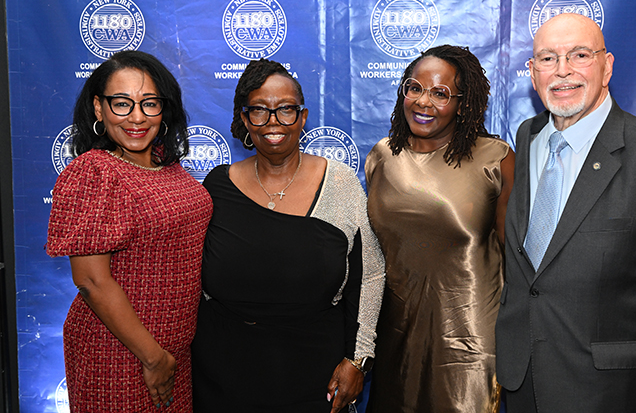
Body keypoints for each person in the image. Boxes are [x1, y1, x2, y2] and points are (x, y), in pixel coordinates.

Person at [495, 13, 636, 412]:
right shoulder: (529, 138)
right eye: (547, 58)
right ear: (532, 72)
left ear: (607, 66)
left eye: (579, 55)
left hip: (610, 394)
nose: (562, 70)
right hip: (523, 384)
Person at [191, 58, 385, 413]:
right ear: (245, 119)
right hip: (222, 374)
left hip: (316, 376)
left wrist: (358, 359)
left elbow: (369, 275)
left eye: (285, 109)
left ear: (302, 117)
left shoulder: (340, 183)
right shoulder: (218, 186)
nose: (273, 121)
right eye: (259, 110)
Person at [46, 50, 213, 412]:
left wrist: (165, 356)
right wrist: (152, 357)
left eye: (149, 103)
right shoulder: (95, 171)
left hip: (173, 353)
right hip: (120, 352)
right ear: (98, 108)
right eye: (122, 104)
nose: (137, 117)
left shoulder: (167, 165)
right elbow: (91, 280)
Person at [364, 45, 515, 413]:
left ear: (463, 104)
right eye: (414, 88)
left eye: (440, 93)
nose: (423, 101)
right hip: (396, 337)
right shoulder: (382, 157)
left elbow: (515, 259)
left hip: (471, 343)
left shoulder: (495, 159)